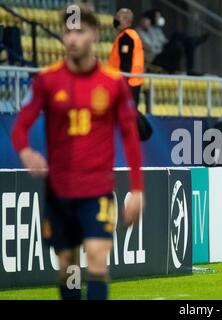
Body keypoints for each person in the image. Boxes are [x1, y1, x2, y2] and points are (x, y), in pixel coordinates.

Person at [11, 4, 143, 300]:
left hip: (97, 189)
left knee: (97, 258)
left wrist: (137, 189)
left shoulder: (112, 83)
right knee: (68, 266)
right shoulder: (47, 80)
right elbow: (20, 126)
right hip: (59, 191)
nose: (73, 38)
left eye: (80, 31)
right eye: (68, 31)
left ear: (94, 34)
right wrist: (25, 151)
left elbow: (129, 134)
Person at [109, 8, 152, 141]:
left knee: (127, 112)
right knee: (130, 110)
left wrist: (122, 83)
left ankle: (144, 133)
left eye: (118, 17)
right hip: (133, 81)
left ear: (126, 20)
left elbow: (125, 63)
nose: (115, 19)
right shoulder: (131, 35)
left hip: (127, 82)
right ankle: (146, 130)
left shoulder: (126, 36)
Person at [142, 9, 208, 75]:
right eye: (157, 17)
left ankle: (190, 68)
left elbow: (164, 41)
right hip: (155, 57)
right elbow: (151, 48)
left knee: (183, 43)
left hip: (162, 52)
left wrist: (169, 44)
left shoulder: (156, 30)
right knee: (176, 36)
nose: (158, 19)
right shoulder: (140, 32)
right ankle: (194, 41)